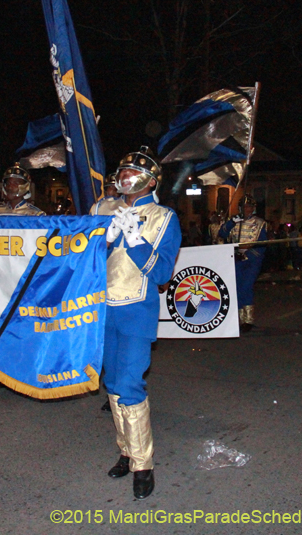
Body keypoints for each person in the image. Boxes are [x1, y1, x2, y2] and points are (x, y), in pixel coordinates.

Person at [90, 145, 181, 500]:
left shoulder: (163, 217)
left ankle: (143, 464)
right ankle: (126, 451)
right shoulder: (104, 209)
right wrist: (103, 241)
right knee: (112, 383)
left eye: (134, 173)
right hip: (103, 309)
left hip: (136, 309)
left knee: (129, 383)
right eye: (123, 171)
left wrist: (134, 241)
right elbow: (81, 260)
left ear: (150, 181)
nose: (126, 177)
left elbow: (161, 273)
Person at [218, 195, 268, 332]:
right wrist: (231, 223)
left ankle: (248, 320)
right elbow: (221, 235)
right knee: (237, 287)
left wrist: (247, 255)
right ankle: (239, 318)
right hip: (236, 259)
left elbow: (262, 244)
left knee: (247, 286)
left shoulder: (260, 223)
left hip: (252, 260)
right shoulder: (234, 221)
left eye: (249, 207)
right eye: (244, 207)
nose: (247, 209)